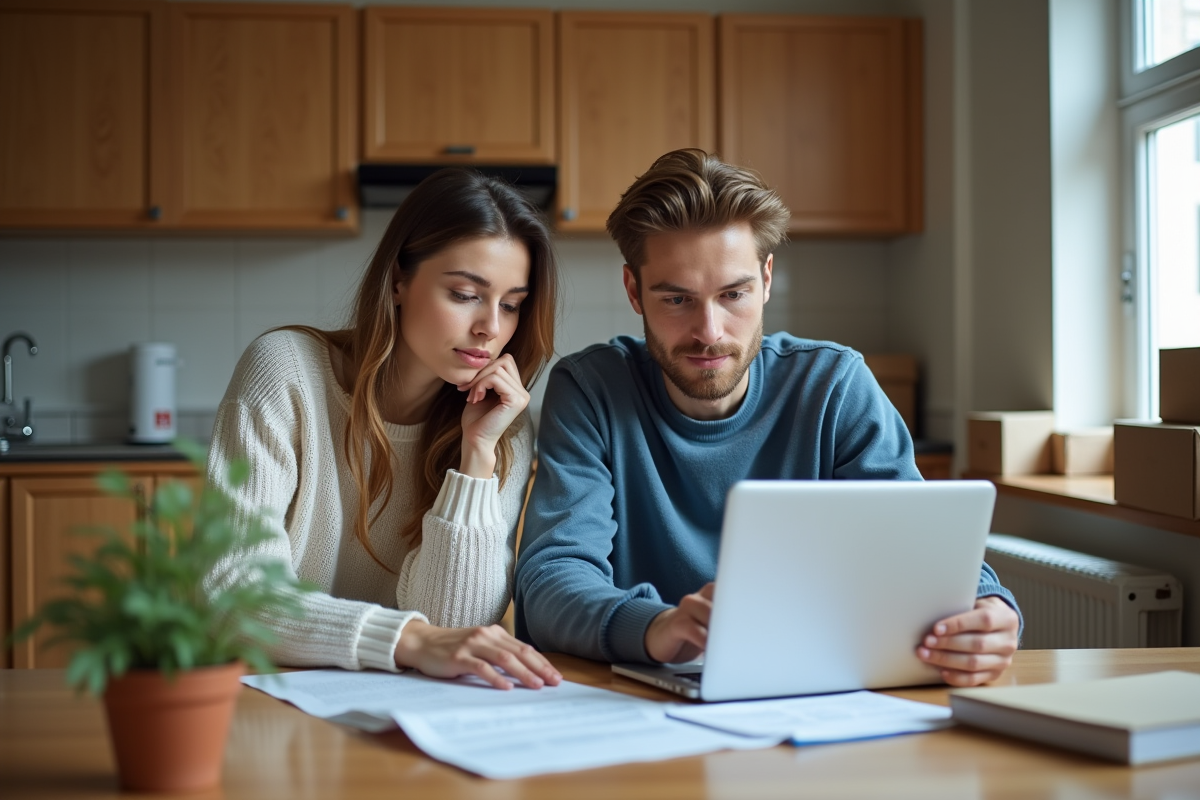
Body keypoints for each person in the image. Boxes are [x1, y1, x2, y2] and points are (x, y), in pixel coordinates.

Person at [515, 149, 1021, 687]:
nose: (709, 331)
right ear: (634, 291)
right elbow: (550, 581)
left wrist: (989, 607)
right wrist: (657, 625)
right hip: (639, 705)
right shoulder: (590, 390)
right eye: (677, 299)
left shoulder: (834, 385)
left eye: (733, 294)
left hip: (811, 699)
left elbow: (921, 545)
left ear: (767, 279)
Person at [207, 168, 561, 691]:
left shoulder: (499, 421)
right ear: (398, 280)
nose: (491, 326)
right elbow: (235, 596)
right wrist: (408, 641)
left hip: (414, 706)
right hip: (272, 695)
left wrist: (477, 456)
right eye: (465, 294)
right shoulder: (284, 371)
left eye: (511, 304)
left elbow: (457, 626)